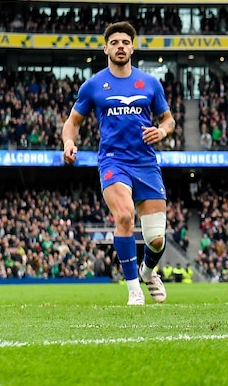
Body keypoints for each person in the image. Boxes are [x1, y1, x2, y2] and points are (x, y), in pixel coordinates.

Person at [62, 21, 174, 306]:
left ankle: (148, 272)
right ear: (105, 48)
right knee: (124, 217)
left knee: (157, 239)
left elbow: (168, 120)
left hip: (146, 163)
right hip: (113, 161)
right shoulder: (93, 85)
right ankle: (134, 290)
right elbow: (72, 123)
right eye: (115, 42)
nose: (120, 46)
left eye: (125, 42)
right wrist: (69, 143)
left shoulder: (150, 83)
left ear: (132, 47)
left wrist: (161, 131)